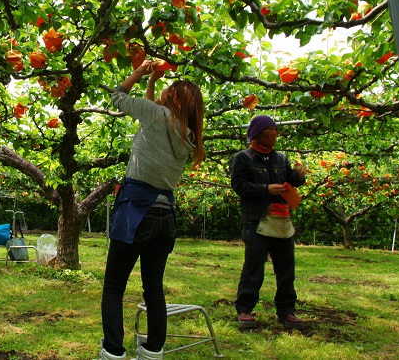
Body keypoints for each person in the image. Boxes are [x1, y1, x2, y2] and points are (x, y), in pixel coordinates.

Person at [98, 60, 205, 360]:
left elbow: (118, 96)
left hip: (137, 211)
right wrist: (153, 83)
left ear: (173, 98)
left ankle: (113, 350)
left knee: (114, 287)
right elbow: (153, 115)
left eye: (168, 88)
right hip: (164, 217)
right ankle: (153, 350)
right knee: (153, 289)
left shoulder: (157, 117)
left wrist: (140, 73)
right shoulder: (188, 135)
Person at [230, 115, 306, 329]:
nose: (272, 137)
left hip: (281, 217)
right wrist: (266, 189)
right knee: (254, 265)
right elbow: (239, 185)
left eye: (274, 133)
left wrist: (298, 176)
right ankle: (244, 309)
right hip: (256, 219)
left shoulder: (280, 159)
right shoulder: (243, 158)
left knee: (286, 266)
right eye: (267, 133)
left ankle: (286, 311)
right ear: (255, 136)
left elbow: (291, 181)